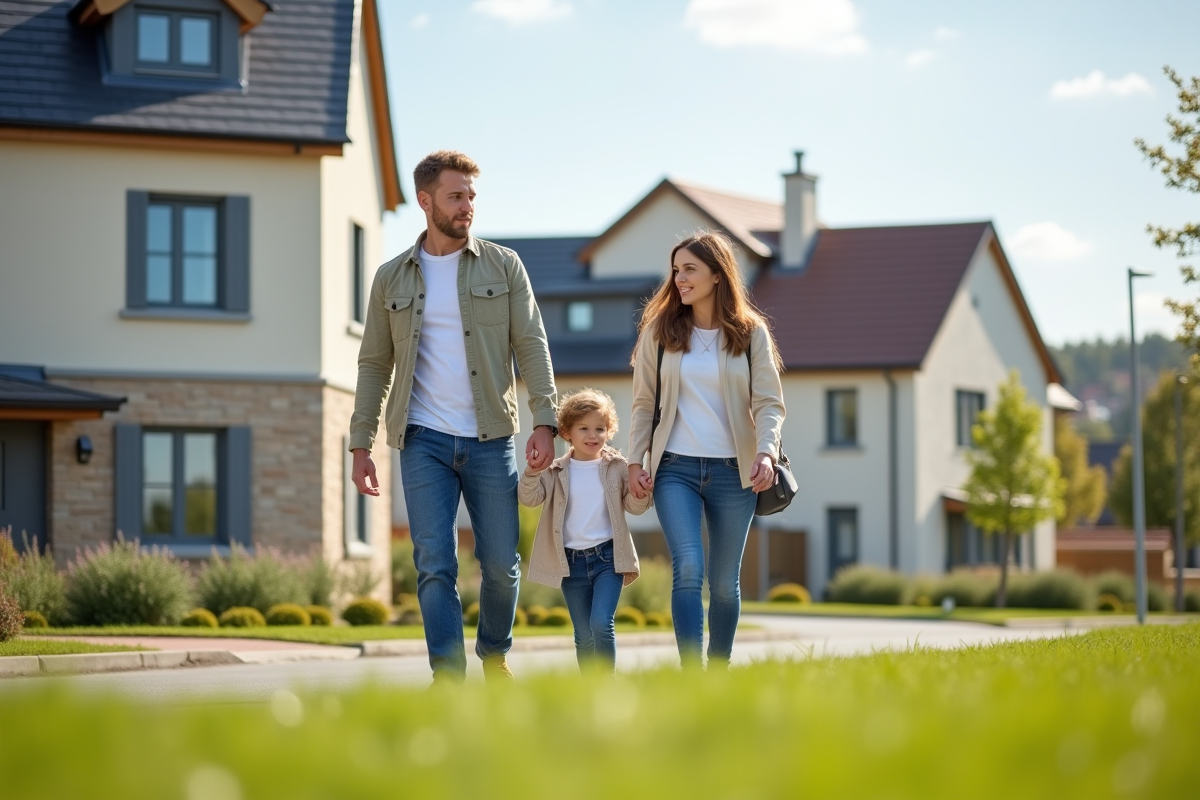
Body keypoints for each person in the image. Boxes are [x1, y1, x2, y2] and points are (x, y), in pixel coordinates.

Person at [349, 150, 558, 684]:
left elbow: (531, 344)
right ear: (426, 201)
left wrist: (545, 420)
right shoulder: (390, 278)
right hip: (423, 440)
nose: (467, 207)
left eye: (471, 196)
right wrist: (360, 444)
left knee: (500, 565)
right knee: (434, 563)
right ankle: (447, 674)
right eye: (455, 196)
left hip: (491, 437)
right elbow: (374, 364)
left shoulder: (504, 266)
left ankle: (494, 652)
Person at [626, 231, 785, 669]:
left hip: (737, 474)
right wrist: (636, 461)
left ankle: (718, 670)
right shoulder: (660, 332)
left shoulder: (752, 334)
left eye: (689, 269)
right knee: (689, 567)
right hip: (674, 469)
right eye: (676, 270)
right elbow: (643, 404)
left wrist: (767, 452)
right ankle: (692, 675)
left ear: (717, 275)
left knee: (723, 582)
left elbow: (769, 403)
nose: (679, 278)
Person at [519, 389, 652, 673]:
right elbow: (529, 498)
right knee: (583, 635)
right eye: (584, 428)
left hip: (608, 558)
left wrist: (642, 492)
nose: (593, 436)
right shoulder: (555, 470)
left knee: (601, 623)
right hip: (571, 563)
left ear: (609, 431)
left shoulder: (617, 466)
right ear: (566, 432)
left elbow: (633, 506)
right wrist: (531, 472)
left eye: (600, 429)